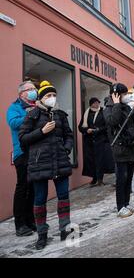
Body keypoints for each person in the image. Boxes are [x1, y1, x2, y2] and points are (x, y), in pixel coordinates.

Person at [18, 81, 74, 250]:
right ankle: (42, 235)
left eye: (54, 95)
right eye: (48, 96)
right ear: (41, 98)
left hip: (60, 160)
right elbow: (23, 138)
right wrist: (42, 131)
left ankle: (65, 229)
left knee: (63, 196)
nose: (52, 98)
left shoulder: (60, 115)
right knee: (39, 200)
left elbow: (69, 135)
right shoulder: (32, 115)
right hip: (39, 163)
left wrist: (66, 149)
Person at [104, 83, 134, 218]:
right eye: (124, 94)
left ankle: (127, 202)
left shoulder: (126, 107)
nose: (126, 96)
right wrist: (116, 105)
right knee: (122, 177)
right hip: (119, 147)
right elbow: (113, 121)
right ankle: (120, 206)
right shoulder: (109, 108)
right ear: (116, 95)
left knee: (129, 176)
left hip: (130, 145)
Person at [6, 81, 37, 237]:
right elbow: (13, 123)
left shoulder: (36, 105)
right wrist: (30, 114)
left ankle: (30, 221)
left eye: (34, 88)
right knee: (22, 187)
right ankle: (20, 224)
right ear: (21, 94)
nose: (34, 91)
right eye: (30, 89)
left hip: (35, 152)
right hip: (22, 152)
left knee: (32, 188)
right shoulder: (14, 108)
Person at [78, 97, 113, 187]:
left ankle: (100, 179)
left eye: (98, 102)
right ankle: (94, 178)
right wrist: (86, 130)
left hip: (100, 140)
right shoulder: (86, 113)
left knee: (100, 160)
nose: (97, 104)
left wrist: (98, 130)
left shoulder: (102, 111)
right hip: (89, 141)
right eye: (95, 103)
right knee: (91, 160)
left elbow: (106, 125)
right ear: (91, 104)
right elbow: (80, 127)